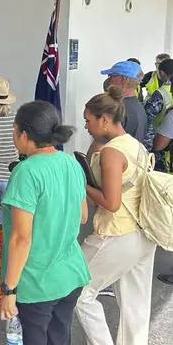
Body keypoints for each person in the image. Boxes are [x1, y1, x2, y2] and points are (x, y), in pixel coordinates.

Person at [0, 101, 90, 343]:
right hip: (70, 274)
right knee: (59, 338)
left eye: (14, 128)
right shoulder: (71, 162)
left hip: (36, 282)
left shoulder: (26, 172)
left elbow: (21, 238)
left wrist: (9, 289)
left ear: (24, 134)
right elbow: (82, 217)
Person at [75, 87, 156, 345]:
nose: (86, 126)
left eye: (88, 120)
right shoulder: (135, 145)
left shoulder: (111, 152)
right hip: (144, 231)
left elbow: (111, 202)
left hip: (118, 232)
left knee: (79, 291)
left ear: (105, 119)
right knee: (135, 304)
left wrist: (81, 183)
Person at [144, 58, 173, 166]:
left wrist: (148, 148)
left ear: (161, 73)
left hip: (160, 145)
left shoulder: (161, 93)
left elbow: (147, 120)